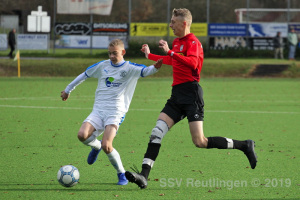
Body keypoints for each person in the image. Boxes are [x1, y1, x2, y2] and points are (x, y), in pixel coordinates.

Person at [125, 8, 258, 189]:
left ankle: (244, 145)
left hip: (191, 94)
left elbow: (193, 63)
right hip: (176, 96)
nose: (170, 25)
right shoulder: (178, 42)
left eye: (173, 22)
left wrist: (170, 52)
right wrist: (150, 55)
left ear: (184, 23)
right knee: (156, 133)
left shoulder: (193, 42)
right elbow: (173, 61)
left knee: (200, 142)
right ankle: (144, 176)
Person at [60, 39, 163, 185]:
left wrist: (156, 67)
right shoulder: (103, 66)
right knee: (82, 135)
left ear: (123, 52)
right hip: (98, 110)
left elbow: (145, 71)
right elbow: (84, 75)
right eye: (109, 53)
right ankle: (96, 147)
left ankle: (121, 174)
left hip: (115, 112)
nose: (111, 56)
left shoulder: (129, 67)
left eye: (114, 53)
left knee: (107, 146)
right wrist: (68, 90)